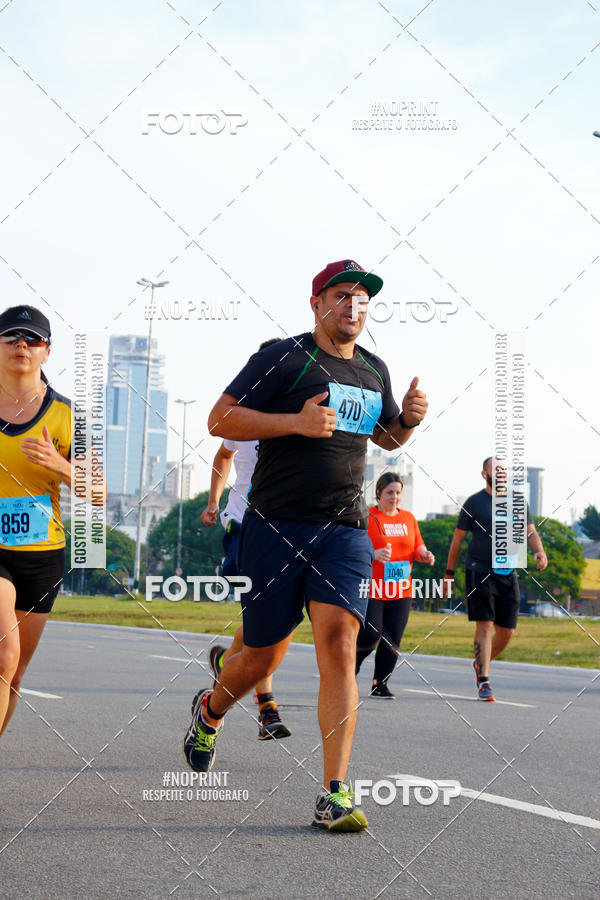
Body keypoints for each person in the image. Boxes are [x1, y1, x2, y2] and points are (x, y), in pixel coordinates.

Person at [183, 258, 429, 832]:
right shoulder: (283, 357)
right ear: (317, 303)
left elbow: (385, 435)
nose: (354, 307)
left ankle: (335, 793)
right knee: (262, 657)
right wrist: (293, 422)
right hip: (274, 527)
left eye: (363, 300)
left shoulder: (374, 369)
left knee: (341, 644)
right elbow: (221, 420)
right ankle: (210, 709)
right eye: (343, 296)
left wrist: (410, 423)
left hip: (344, 527)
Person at [200, 338, 291, 741]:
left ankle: (228, 663)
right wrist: (213, 500)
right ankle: (267, 707)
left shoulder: (300, 414)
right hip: (243, 527)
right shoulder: (244, 416)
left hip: (286, 528)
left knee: (263, 621)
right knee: (260, 616)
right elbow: (223, 455)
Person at [0, 306, 73, 735]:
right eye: (11, 337)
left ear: (47, 352)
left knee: (15, 674)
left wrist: (60, 465)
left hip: (42, 553)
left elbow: (96, 490)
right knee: (3, 654)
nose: (21, 345)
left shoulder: (68, 415)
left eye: (32, 339)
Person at [443, 456, 547, 701]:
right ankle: (484, 681)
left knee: (507, 631)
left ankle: (481, 661)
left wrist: (539, 551)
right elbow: (457, 540)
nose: (501, 473)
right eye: (496, 469)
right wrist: (449, 573)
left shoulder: (518, 501)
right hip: (479, 570)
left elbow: (530, 532)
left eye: (504, 469)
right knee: (485, 625)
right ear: (484, 473)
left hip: (508, 571)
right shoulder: (475, 503)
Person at [356, 472, 435, 698]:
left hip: (401, 589)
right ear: (379, 492)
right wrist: (374, 553)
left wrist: (425, 554)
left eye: (398, 492)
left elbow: (417, 545)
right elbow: (354, 548)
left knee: (392, 639)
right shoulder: (367, 516)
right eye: (390, 492)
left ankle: (380, 683)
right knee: (371, 634)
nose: (394, 497)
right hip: (374, 587)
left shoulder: (408, 518)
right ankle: (354, 663)